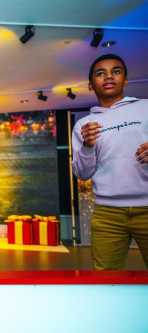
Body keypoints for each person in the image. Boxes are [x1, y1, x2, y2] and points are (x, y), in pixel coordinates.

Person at [72, 53, 148, 270]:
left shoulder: (145, 108)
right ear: (90, 84)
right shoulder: (84, 125)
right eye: (100, 73)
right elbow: (82, 173)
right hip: (108, 213)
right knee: (106, 278)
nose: (108, 77)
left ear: (125, 79)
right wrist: (87, 145)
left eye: (116, 71)